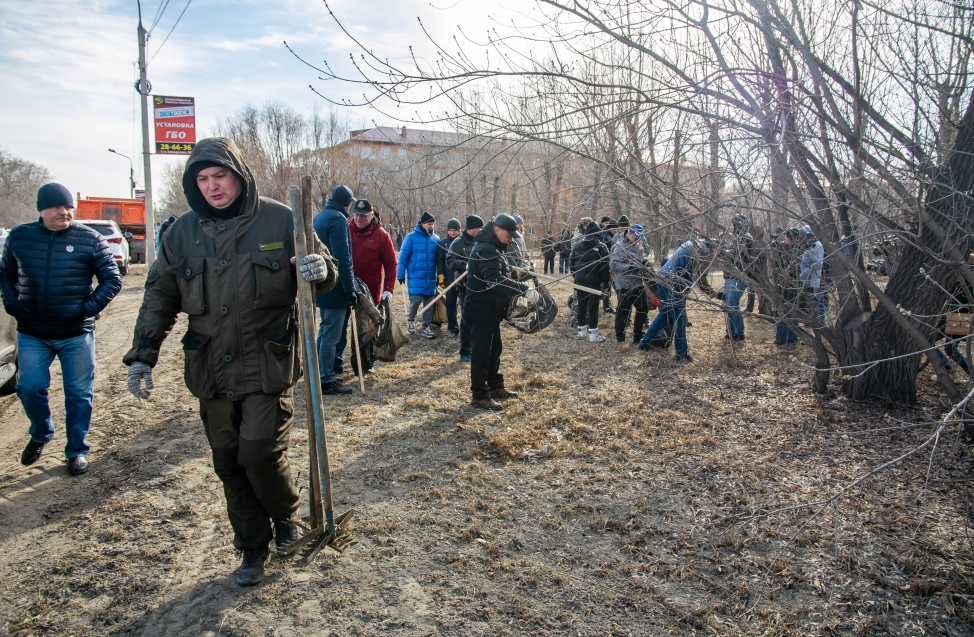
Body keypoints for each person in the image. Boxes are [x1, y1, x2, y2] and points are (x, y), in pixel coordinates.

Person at [123, 138, 333, 585]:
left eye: (220, 176)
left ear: (239, 176)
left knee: (259, 452)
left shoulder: (280, 218)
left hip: (267, 361)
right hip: (210, 367)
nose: (213, 186)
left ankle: (283, 516)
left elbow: (326, 270)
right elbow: (160, 295)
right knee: (229, 462)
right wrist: (143, 355)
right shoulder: (180, 233)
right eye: (203, 178)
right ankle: (252, 549)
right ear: (192, 184)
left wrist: (321, 269)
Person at [1, 183, 122, 476]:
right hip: (32, 332)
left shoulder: (90, 239)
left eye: (68, 207)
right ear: (41, 210)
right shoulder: (20, 237)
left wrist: (86, 308)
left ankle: (76, 450)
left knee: (79, 393)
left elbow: (112, 279)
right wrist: (13, 305)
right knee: (29, 387)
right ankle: (42, 432)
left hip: (76, 333)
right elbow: (5, 275)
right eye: (56, 207)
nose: (63, 212)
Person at [464, 213, 530, 410]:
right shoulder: (486, 249)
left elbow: (503, 272)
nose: (510, 239)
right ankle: (479, 396)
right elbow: (494, 280)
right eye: (508, 235)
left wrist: (521, 274)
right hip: (481, 310)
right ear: (497, 230)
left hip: (491, 310)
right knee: (482, 354)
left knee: (494, 351)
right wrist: (522, 289)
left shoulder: (494, 248)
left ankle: (495, 387)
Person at [637, 234, 720, 362]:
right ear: (715, 247)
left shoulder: (692, 243)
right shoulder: (703, 253)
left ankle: (645, 341)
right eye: (720, 253)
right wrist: (715, 294)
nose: (719, 257)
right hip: (674, 284)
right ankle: (681, 353)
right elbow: (701, 281)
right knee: (679, 319)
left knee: (664, 313)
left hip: (663, 278)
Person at [314, 184, 358, 395]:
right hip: (334, 284)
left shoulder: (319, 216)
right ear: (348, 203)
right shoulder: (338, 219)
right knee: (331, 333)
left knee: (324, 331)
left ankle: (318, 373)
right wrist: (350, 289)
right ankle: (326, 380)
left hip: (320, 283)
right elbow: (343, 257)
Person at [348, 199, 397, 373]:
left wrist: (388, 289)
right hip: (348, 289)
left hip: (371, 292)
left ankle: (368, 362)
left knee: (368, 329)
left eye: (363, 215)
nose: (359, 218)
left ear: (371, 215)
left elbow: (391, 264)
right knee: (344, 327)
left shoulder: (382, 235)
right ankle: (338, 363)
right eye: (356, 214)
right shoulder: (346, 230)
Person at [446, 215, 484, 362]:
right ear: (473, 228)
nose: (481, 231)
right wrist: (465, 265)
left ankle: (477, 347)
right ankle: (465, 351)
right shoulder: (458, 243)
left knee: (479, 318)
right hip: (464, 286)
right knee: (467, 319)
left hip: (480, 285)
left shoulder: (481, 240)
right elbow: (449, 261)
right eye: (479, 228)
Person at [397, 211, 441, 338]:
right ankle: (410, 320)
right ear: (422, 224)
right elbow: (403, 257)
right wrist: (400, 274)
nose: (431, 226)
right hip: (416, 275)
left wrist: (439, 275)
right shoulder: (411, 237)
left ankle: (425, 325)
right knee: (415, 301)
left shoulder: (436, 239)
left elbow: (438, 260)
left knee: (429, 304)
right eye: (429, 224)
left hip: (431, 276)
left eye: (432, 224)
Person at [570, 220, 611, 342]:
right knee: (593, 307)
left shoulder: (577, 246)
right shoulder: (601, 246)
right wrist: (606, 281)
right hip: (594, 282)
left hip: (580, 280)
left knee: (582, 305)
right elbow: (605, 268)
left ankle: (581, 331)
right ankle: (593, 334)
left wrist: (577, 276)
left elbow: (571, 265)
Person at [610, 224, 651, 343]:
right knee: (623, 311)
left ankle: (638, 335)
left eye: (640, 238)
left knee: (643, 308)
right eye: (636, 237)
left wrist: (644, 264)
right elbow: (613, 265)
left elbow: (642, 258)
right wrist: (630, 267)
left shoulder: (639, 244)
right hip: (624, 284)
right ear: (629, 234)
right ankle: (620, 336)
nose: (638, 239)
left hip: (638, 283)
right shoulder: (620, 247)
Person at [719, 214, 754, 341]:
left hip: (739, 277)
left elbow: (734, 256)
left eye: (734, 224)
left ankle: (739, 332)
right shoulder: (733, 238)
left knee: (733, 305)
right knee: (727, 305)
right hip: (729, 276)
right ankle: (730, 332)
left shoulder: (745, 238)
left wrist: (723, 249)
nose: (732, 227)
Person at [436, 218, 463, 338]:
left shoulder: (464, 242)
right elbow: (440, 261)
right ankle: (453, 328)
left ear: (459, 230)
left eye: (455, 230)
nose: (452, 232)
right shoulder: (443, 244)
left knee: (464, 305)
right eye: (450, 230)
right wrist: (441, 277)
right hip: (449, 279)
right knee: (451, 305)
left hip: (463, 280)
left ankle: (465, 327)